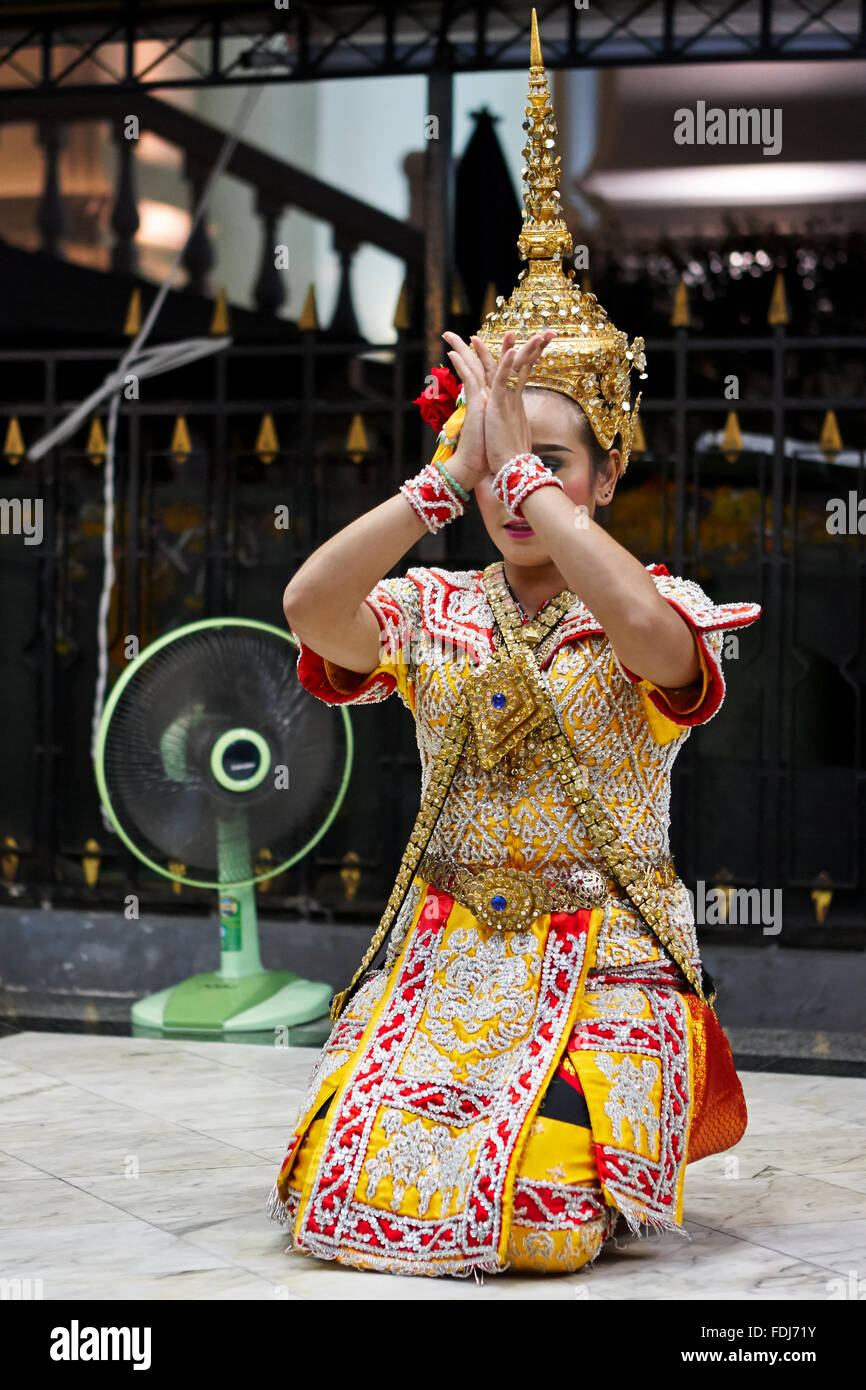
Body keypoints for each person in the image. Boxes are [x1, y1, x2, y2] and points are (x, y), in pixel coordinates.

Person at [266, 9, 760, 1279]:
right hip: (447, 961)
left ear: (602, 478)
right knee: (335, 1193)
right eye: (502, 460)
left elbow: (651, 646)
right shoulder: (437, 610)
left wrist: (521, 475)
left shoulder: (658, 599)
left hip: (603, 965)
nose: (516, 485)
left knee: (536, 1216)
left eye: (553, 461)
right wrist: (442, 483)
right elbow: (313, 609)